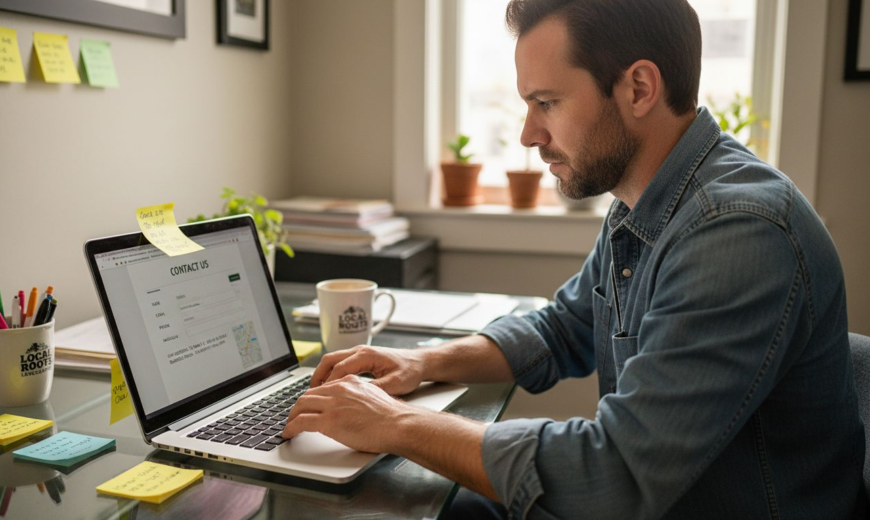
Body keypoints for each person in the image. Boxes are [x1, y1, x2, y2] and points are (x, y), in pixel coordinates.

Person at [281, 0, 867, 518]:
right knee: (413, 496)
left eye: (547, 102)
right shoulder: (648, 196)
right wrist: (421, 362)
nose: (528, 134)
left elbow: (616, 478)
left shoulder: (737, 232)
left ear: (638, 88)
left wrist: (396, 425)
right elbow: (566, 326)